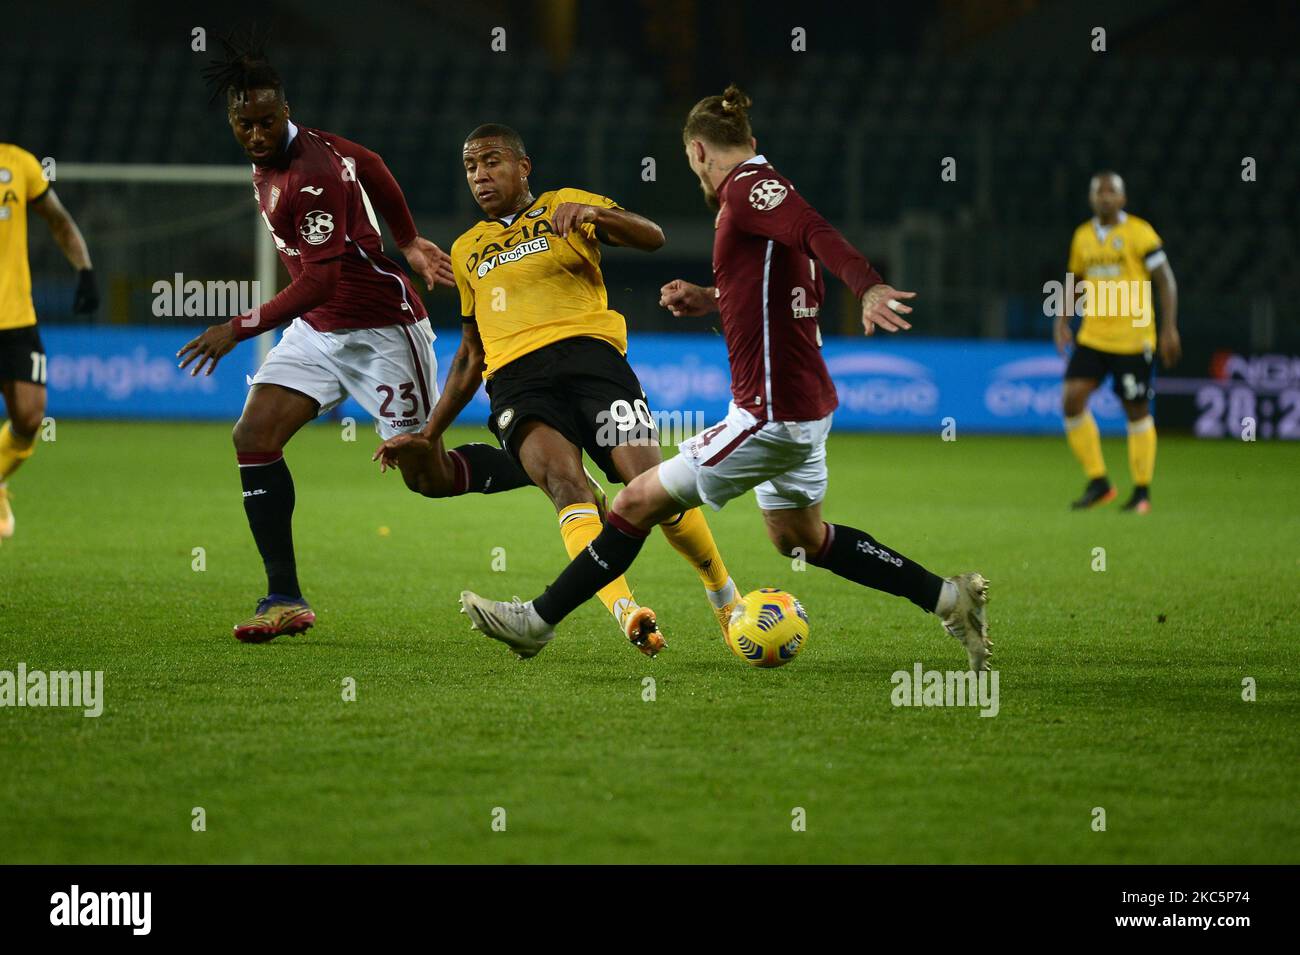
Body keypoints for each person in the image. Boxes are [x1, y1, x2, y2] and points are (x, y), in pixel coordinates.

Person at [458, 87, 991, 671]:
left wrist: (868, 285)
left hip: (769, 411)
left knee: (636, 499)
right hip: (807, 406)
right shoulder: (760, 198)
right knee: (799, 537)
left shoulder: (746, 189)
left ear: (696, 151)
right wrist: (714, 298)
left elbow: (815, 231)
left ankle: (537, 620)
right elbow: (787, 281)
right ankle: (949, 598)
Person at [179, 39, 533, 642]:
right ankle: (284, 597)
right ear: (234, 120)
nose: (258, 134)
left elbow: (320, 281)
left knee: (428, 475)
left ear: (285, 110)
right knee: (254, 436)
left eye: (268, 121)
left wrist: (235, 328)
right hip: (318, 335)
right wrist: (411, 238)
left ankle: (544, 465)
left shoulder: (310, 175)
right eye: (246, 124)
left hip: (380, 332)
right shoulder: (296, 152)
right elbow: (370, 161)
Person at [375, 125, 739, 657]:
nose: (480, 175)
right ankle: (626, 610)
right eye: (471, 166)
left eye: (492, 162)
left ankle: (724, 595)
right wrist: (429, 434)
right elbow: (471, 353)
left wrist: (598, 216)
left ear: (524, 167)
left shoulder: (565, 205)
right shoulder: (466, 249)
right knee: (566, 487)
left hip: (593, 361)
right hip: (516, 381)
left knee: (651, 488)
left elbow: (652, 236)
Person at [1055, 171, 1180, 513]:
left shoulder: (1140, 232)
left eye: (1112, 191)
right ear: (1092, 198)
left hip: (1133, 336)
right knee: (1071, 400)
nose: (1105, 197)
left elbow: (1165, 280)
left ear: (1122, 199)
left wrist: (1169, 328)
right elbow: (1075, 279)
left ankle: (1141, 491)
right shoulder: (1082, 236)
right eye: (1099, 191)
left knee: (1135, 409)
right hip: (1094, 334)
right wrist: (1062, 320)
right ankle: (1099, 481)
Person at [0, 142, 98, 542]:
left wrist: (85, 269)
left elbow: (58, 219)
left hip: (16, 317)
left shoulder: (18, 162)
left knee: (29, 415)